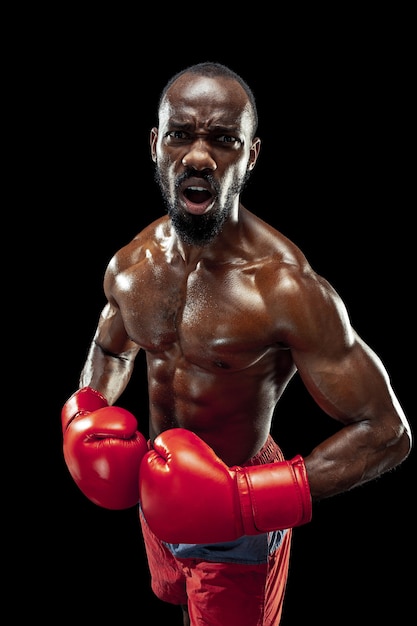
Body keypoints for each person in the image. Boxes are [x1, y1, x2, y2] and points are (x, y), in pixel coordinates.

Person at [61, 61, 412, 626]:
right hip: (157, 499)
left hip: (238, 520)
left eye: (223, 140)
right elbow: (110, 349)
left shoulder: (285, 287)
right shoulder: (131, 266)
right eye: (181, 134)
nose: (199, 157)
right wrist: (84, 415)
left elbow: (387, 432)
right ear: (156, 145)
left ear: (250, 156)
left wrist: (246, 501)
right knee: (177, 601)